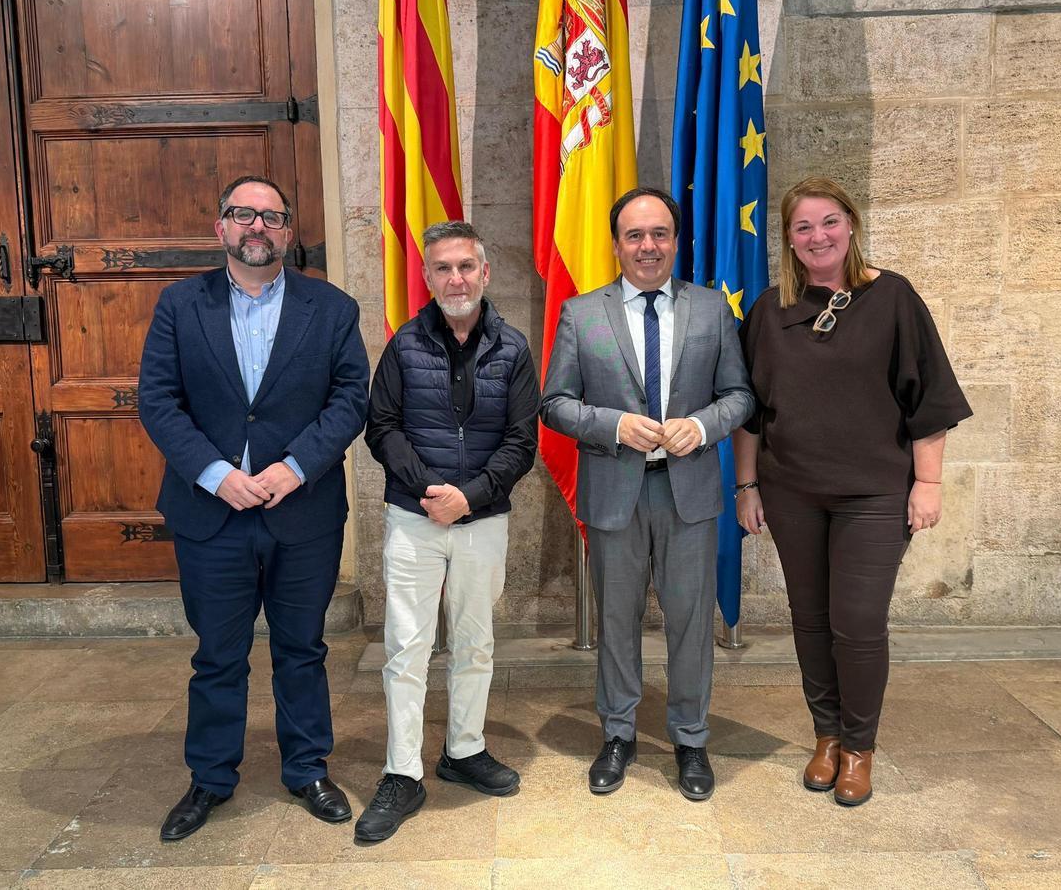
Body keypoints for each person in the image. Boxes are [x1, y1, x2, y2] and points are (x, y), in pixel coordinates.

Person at [139, 175, 370, 841]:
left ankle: (306, 768)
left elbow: (350, 398)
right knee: (218, 654)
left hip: (302, 513)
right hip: (211, 516)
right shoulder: (180, 306)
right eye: (244, 215)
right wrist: (215, 473)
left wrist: (294, 467)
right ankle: (210, 777)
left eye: (270, 217)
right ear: (222, 228)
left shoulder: (330, 309)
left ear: (289, 232)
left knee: (302, 648)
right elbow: (158, 399)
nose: (257, 227)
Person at [733, 176, 972, 806]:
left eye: (829, 222)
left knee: (858, 623)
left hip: (872, 495)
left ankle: (861, 747)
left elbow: (930, 401)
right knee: (810, 621)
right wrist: (747, 486)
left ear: (851, 225)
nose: (818, 236)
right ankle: (827, 736)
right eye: (803, 226)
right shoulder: (769, 311)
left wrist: (927, 483)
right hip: (792, 493)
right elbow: (749, 412)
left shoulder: (891, 298)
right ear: (787, 238)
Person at [541, 188, 755, 802]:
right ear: (616, 245)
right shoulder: (583, 314)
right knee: (616, 620)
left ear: (676, 241)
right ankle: (618, 734)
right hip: (615, 492)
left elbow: (740, 396)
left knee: (691, 622)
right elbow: (554, 405)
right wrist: (611, 425)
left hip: (688, 493)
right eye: (635, 235)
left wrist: (704, 426)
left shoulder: (712, 310)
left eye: (659, 233)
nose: (648, 246)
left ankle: (690, 739)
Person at [356, 221, 539, 842]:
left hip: (482, 519)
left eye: (466, 267)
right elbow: (381, 427)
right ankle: (402, 773)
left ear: (485, 274)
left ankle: (463, 750)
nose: (455, 278)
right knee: (407, 646)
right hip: (415, 518)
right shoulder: (404, 345)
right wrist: (431, 492)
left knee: (474, 639)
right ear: (428, 278)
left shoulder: (512, 349)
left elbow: (522, 443)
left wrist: (470, 497)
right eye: (443, 269)